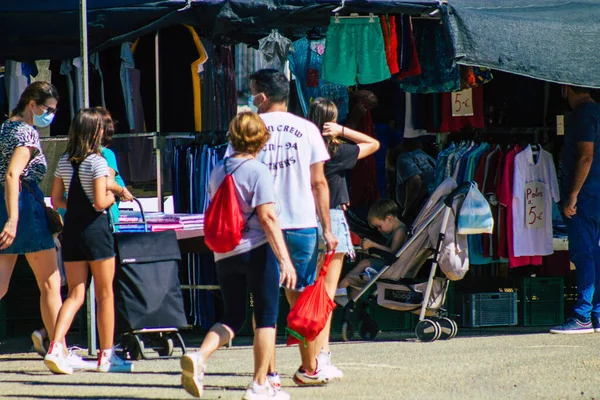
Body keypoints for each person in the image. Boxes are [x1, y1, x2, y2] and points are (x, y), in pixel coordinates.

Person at [180, 112, 297, 400]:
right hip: (257, 250)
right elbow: (268, 218)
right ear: (261, 140)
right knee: (267, 317)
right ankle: (259, 385)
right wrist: (284, 259)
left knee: (233, 317)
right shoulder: (257, 171)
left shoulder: (218, 169)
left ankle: (200, 356)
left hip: (225, 252)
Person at [249, 69, 338, 387]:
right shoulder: (308, 129)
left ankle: (268, 373)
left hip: (261, 227)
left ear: (261, 96)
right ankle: (309, 367)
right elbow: (319, 182)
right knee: (302, 301)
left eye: (252, 92)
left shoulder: (250, 128)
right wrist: (327, 229)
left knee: (264, 302)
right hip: (302, 225)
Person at [45, 108, 132, 374]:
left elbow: (57, 199)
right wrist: (115, 194)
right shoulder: (97, 162)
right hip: (96, 231)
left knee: (74, 293)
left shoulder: (63, 160)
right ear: (94, 132)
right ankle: (107, 356)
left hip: (72, 230)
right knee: (105, 293)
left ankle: (55, 346)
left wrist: (76, 206)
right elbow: (99, 201)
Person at [306, 97, 380, 379]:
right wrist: (342, 130)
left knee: (308, 292)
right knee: (326, 294)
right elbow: (373, 144)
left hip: (302, 220)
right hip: (332, 221)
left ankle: (310, 355)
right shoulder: (336, 151)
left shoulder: (305, 150)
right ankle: (321, 356)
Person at [0, 81, 63, 358]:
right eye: (47, 109)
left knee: (1, 283)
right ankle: (57, 347)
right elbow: (14, 174)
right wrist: (14, 219)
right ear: (32, 105)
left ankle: (56, 346)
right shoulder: (27, 133)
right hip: (24, 207)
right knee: (51, 282)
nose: (50, 114)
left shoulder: (4, 128)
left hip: (5, 204)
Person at [550, 85, 600, 334]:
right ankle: (597, 314)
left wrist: (572, 194)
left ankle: (582, 315)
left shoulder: (582, 115)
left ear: (566, 88)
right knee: (595, 252)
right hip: (596, 194)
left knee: (583, 253)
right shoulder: (597, 112)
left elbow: (585, 156)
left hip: (586, 195)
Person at [337, 199, 408, 297]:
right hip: (393, 265)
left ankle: (341, 287)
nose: (379, 230)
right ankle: (348, 295)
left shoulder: (400, 231)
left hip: (396, 268)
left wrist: (373, 245)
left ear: (389, 219)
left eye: (379, 226)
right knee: (361, 274)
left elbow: (393, 252)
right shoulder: (397, 230)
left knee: (365, 263)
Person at [96, 106, 134, 227]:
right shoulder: (106, 154)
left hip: (70, 222)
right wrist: (122, 191)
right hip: (102, 223)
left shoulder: (67, 157)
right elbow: (109, 184)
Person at [392, 133, 436, 225]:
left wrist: (406, 211)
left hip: (420, 211)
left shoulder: (404, 157)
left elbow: (415, 182)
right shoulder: (425, 156)